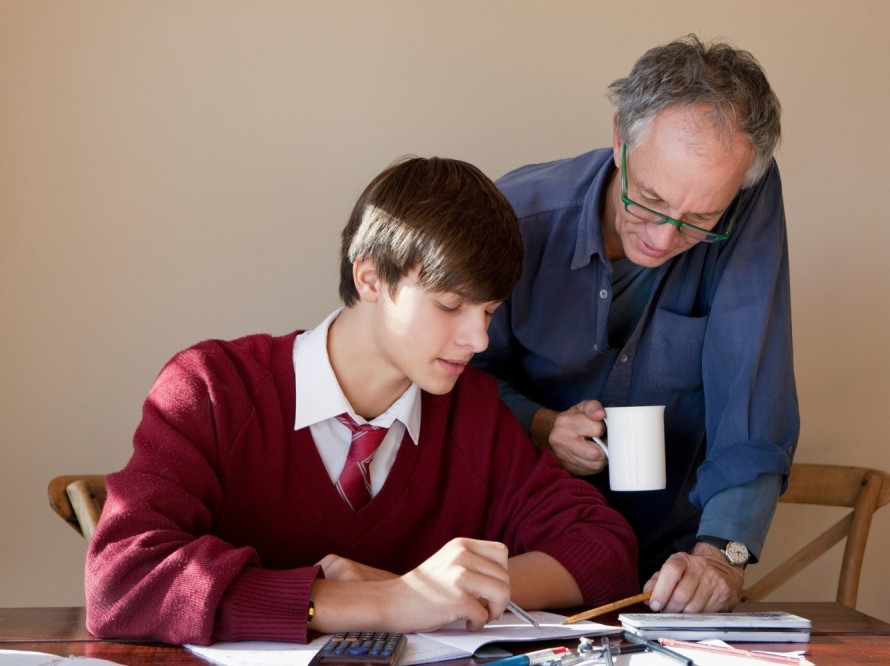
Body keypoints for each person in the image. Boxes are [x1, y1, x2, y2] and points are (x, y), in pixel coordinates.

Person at [84, 156, 639, 646]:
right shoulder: (210, 388)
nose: (479, 339)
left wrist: (448, 589)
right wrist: (385, 602)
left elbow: (603, 548)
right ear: (370, 278)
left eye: (489, 311)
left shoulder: (474, 413)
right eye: (450, 305)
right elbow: (121, 581)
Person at [472, 35, 799, 614]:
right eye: (648, 199)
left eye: (700, 219)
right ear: (620, 138)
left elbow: (751, 389)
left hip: (672, 567)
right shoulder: (516, 217)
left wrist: (723, 555)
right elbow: (455, 383)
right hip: (525, 559)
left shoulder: (743, 195)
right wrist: (541, 425)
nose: (664, 239)